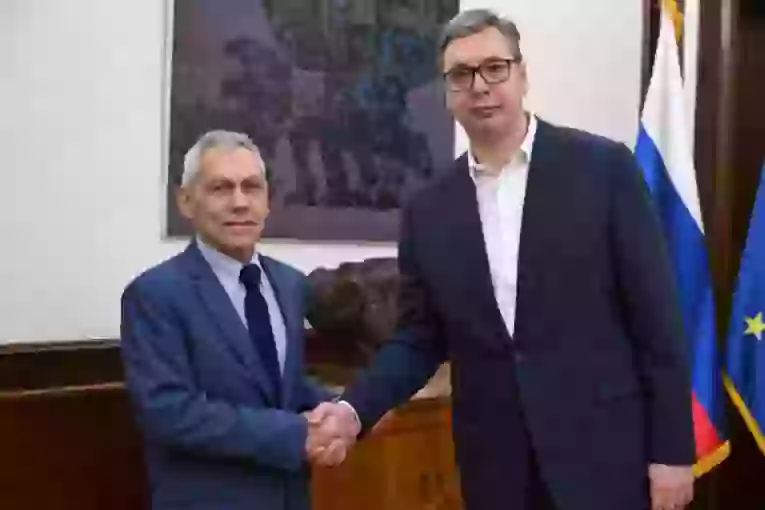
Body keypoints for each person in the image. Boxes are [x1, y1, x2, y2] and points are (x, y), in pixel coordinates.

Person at [306, 9, 696, 510]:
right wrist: (353, 411)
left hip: (604, 458)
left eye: (495, 68)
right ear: (448, 93)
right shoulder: (428, 209)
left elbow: (657, 320)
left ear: (522, 75)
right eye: (461, 75)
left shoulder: (604, 170)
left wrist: (672, 452)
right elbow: (418, 339)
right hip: (496, 468)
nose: (480, 86)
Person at [120, 130, 345, 510]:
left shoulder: (290, 283)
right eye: (220, 188)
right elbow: (169, 411)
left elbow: (282, 384)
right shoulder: (154, 294)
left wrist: (346, 410)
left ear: (267, 200)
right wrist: (295, 434)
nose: (240, 202)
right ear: (186, 201)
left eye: (252, 187)